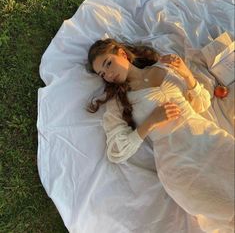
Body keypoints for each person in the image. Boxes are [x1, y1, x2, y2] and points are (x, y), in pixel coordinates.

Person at [86, 38, 234, 232]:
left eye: (108, 63)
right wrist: (150, 122)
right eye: (102, 74)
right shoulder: (118, 101)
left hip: (208, 138)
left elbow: (201, 105)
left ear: (121, 53)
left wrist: (188, 76)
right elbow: (116, 151)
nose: (108, 75)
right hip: (178, 162)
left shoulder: (166, 67)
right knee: (226, 212)